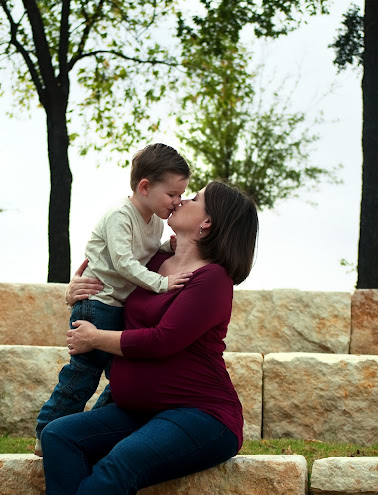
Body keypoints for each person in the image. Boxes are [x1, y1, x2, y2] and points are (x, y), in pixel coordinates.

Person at [40, 179, 259, 495]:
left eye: (194, 198)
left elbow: (162, 340)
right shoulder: (152, 262)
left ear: (207, 222)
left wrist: (95, 338)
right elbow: (104, 272)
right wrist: (77, 289)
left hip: (200, 415)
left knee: (120, 464)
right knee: (59, 435)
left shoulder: (212, 278)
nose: (181, 200)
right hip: (138, 413)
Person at [34, 143, 193, 456]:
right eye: (172, 194)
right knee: (84, 372)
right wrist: (161, 283)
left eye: (181, 195)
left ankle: (87, 431)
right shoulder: (120, 216)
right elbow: (124, 262)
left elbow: (144, 252)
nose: (177, 201)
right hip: (97, 302)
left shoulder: (154, 220)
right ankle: (47, 430)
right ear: (144, 187)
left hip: (117, 306)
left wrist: (166, 248)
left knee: (123, 379)